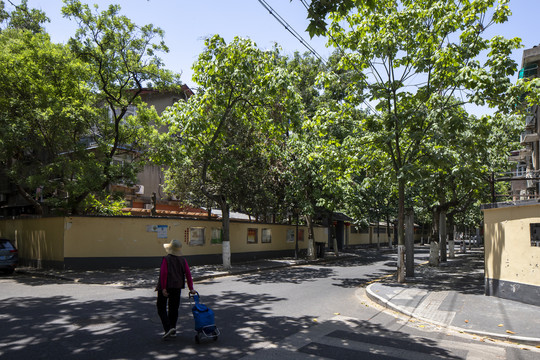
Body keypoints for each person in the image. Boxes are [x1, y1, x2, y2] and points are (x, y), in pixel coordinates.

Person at [156, 239, 196, 339]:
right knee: (174, 308)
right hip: (177, 287)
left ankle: (168, 327)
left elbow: (164, 273)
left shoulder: (166, 259)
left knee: (161, 307)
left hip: (166, 286)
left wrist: (164, 288)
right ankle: (173, 329)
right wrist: (191, 288)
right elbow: (188, 274)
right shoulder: (183, 260)